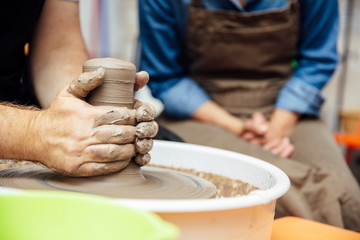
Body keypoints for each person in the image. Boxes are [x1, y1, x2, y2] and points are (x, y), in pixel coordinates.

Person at [139, 0, 360, 231]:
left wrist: (277, 127)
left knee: (344, 193)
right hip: (200, 112)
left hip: (287, 105)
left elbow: (317, 59)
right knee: (296, 191)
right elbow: (167, 77)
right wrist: (235, 126)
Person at [0, 0, 157, 176]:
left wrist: (90, 112)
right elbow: (37, 132)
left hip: (16, 97)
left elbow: (58, 48)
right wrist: (37, 132)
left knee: (162, 139)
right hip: (14, 125)